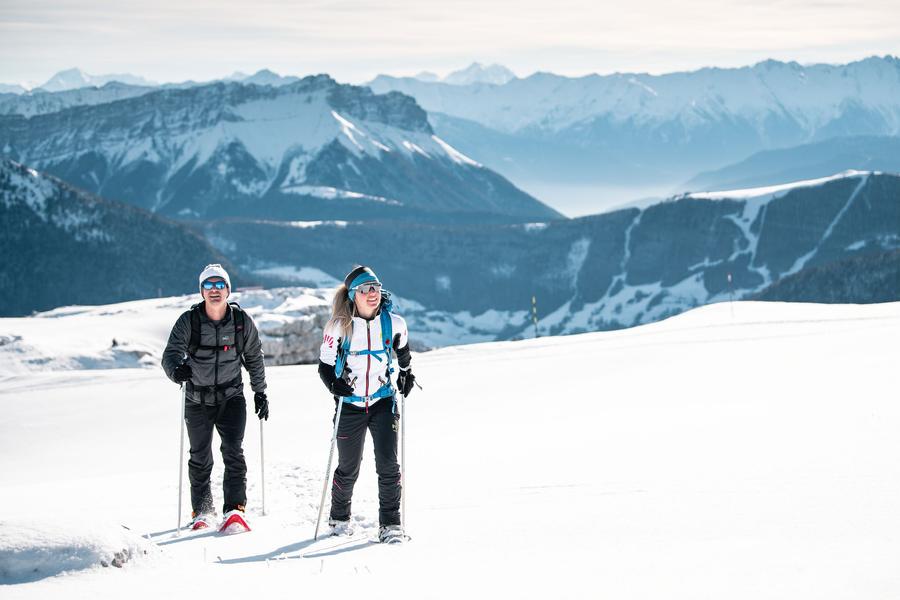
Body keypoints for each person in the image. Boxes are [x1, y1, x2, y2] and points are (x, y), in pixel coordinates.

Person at [162, 264, 269, 531]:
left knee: (233, 452)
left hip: (231, 397)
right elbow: (170, 355)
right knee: (200, 457)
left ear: (228, 290)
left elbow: (254, 357)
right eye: (208, 285)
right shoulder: (189, 321)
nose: (214, 290)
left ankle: (234, 509)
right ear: (201, 291)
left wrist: (260, 392)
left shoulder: (241, 322)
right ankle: (202, 511)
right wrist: (177, 371)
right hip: (197, 399)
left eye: (219, 285)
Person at [317, 266, 417, 543]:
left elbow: (403, 354)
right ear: (353, 295)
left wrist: (408, 375)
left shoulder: (394, 323)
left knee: (388, 465)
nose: (372, 293)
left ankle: (391, 524)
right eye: (365, 289)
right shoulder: (338, 326)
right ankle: (339, 519)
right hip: (349, 404)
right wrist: (333, 385)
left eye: (375, 287)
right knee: (348, 467)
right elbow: (324, 366)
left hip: (382, 401)